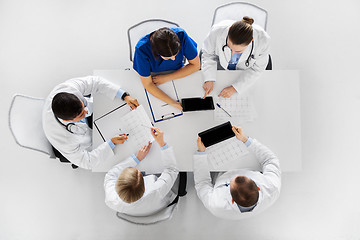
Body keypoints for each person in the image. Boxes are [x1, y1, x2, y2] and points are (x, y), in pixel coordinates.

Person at [42, 76, 139, 170]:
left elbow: (95, 81)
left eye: (83, 105)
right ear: (68, 121)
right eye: (81, 114)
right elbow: (87, 162)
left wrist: (124, 95)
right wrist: (111, 143)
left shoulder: (68, 88)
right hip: (74, 143)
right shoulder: (64, 140)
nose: (86, 111)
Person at [193, 126, 281, 220]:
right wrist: (246, 140)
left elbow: (202, 183)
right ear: (258, 187)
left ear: (231, 199)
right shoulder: (272, 187)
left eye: (230, 182)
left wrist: (201, 154)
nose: (236, 174)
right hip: (247, 161)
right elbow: (270, 160)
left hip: (220, 170)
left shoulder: (216, 205)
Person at [104, 128, 179, 216]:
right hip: (158, 205)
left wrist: (137, 158)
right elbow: (171, 170)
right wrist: (162, 143)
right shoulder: (155, 191)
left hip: (137, 212)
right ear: (144, 185)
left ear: (117, 184)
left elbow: (111, 174)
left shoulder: (111, 199)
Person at [201, 16, 271, 98]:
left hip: (244, 73)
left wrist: (235, 88)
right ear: (229, 29)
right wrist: (209, 78)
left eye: (238, 52)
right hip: (220, 70)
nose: (232, 53)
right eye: (229, 48)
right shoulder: (217, 31)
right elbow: (208, 55)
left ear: (251, 41)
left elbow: (257, 68)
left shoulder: (263, 40)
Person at [133, 27, 200, 110]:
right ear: (156, 53)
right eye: (168, 58)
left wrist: (167, 78)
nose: (173, 59)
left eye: (176, 54)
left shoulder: (181, 35)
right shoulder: (141, 50)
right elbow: (148, 84)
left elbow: (196, 65)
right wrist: (173, 103)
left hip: (178, 73)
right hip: (154, 77)